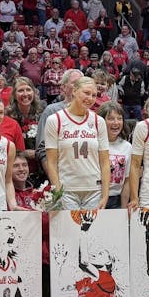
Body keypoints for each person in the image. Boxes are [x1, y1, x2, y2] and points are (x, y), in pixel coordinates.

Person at [44, 76, 110, 209]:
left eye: (94, 95)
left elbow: (105, 162)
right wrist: (58, 191)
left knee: (91, 230)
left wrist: (105, 195)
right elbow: (51, 162)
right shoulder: (54, 120)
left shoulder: (98, 121)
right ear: (74, 91)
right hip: (67, 190)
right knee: (69, 230)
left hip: (94, 190)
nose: (90, 98)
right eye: (86, 93)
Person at [97, 102, 131, 209]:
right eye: (111, 119)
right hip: (95, 198)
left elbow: (127, 180)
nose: (116, 123)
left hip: (116, 200)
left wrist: (124, 208)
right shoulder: (94, 143)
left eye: (119, 118)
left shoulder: (127, 147)